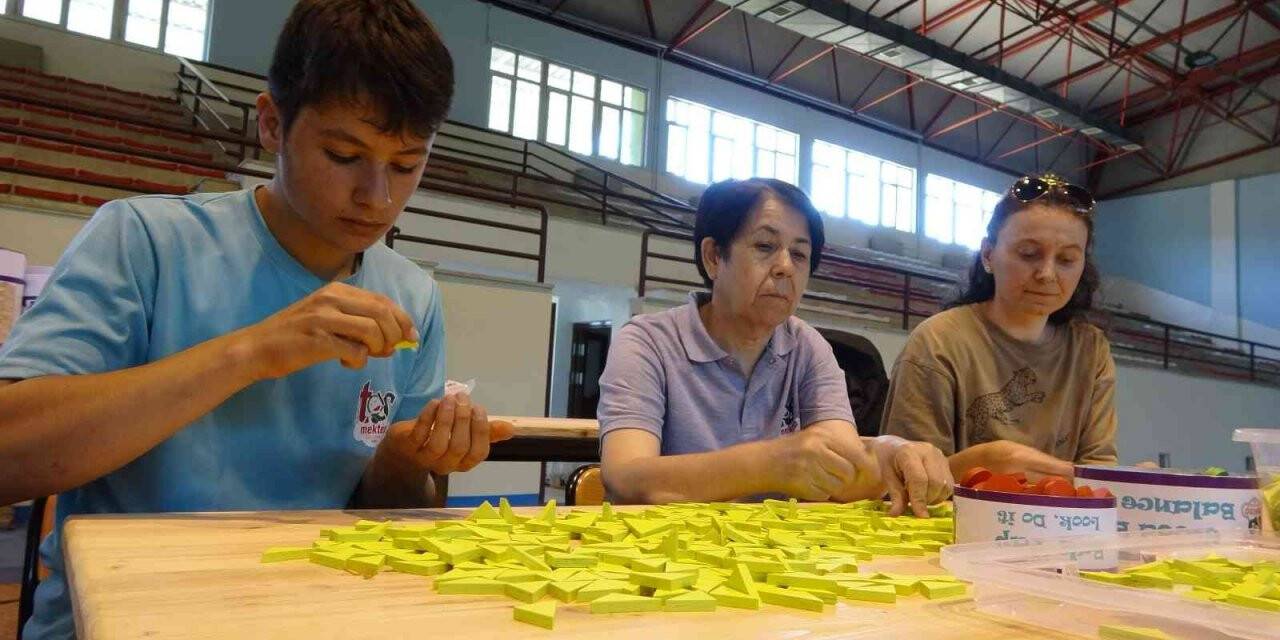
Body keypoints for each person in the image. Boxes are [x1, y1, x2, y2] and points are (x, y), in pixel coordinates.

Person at [0, 2, 510, 638]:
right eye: (344, 154)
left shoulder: (413, 295)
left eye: (406, 165)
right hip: (128, 616)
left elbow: (387, 514)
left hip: (308, 617)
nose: (378, 197)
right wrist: (250, 352)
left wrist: (408, 459)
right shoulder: (143, 241)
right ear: (271, 124)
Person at [598, 178, 952, 516]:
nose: (785, 267)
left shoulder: (807, 347)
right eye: (765, 247)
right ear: (713, 257)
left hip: (776, 560)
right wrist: (769, 464)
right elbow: (626, 479)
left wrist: (891, 452)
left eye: (799, 255)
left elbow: (844, 470)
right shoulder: (648, 342)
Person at [881, 174, 1117, 480]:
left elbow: (1100, 473)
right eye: (1028, 254)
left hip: (1062, 524)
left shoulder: (1091, 350)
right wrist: (983, 464)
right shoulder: (937, 342)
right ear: (988, 254)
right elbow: (906, 478)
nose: (1047, 274)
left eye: (1067, 259)